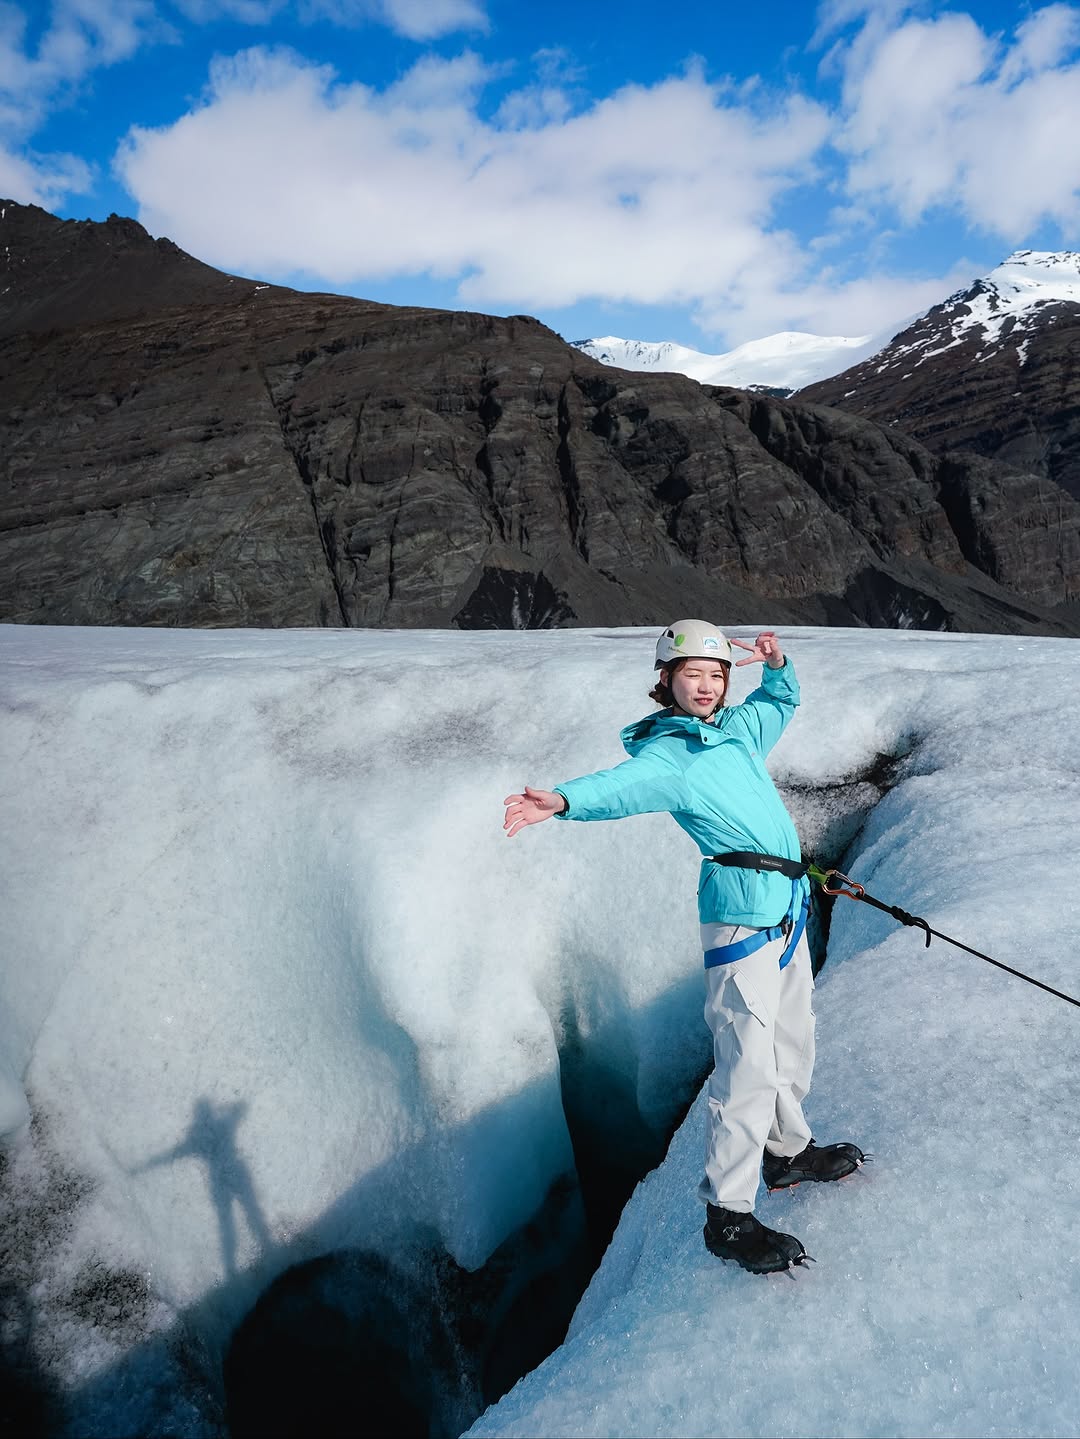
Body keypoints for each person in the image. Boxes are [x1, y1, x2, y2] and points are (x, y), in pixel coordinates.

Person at [502, 620, 864, 1275]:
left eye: (717, 674)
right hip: (738, 923)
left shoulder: (736, 731)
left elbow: (778, 703)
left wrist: (777, 667)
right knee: (747, 1061)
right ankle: (728, 1214)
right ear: (665, 680)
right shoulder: (670, 754)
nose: (706, 684)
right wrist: (563, 800)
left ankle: (786, 1151)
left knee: (791, 1040)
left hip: (784, 911)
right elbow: (620, 786)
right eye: (692, 673)